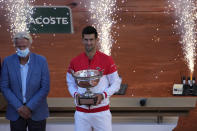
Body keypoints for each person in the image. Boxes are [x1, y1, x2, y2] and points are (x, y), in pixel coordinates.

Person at [66, 26, 122, 131]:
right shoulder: (75, 61)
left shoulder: (107, 60)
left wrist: (103, 95)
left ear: (96, 40)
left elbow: (116, 83)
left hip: (102, 112)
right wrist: (75, 95)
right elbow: (70, 83)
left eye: (91, 40)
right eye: (86, 40)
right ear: (82, 40)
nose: (88, 43)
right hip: (81, 113)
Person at [0, 32, 50, 131]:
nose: (22, 49)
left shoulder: (41, 61)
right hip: (16, 112)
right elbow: (4, 86)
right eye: (19, 47)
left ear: (30, 44)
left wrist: (29, 107)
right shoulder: (7, 61)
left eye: (24, 46)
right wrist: (19, 107)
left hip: (37, 112)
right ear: (15, 46)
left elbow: (45, 87)